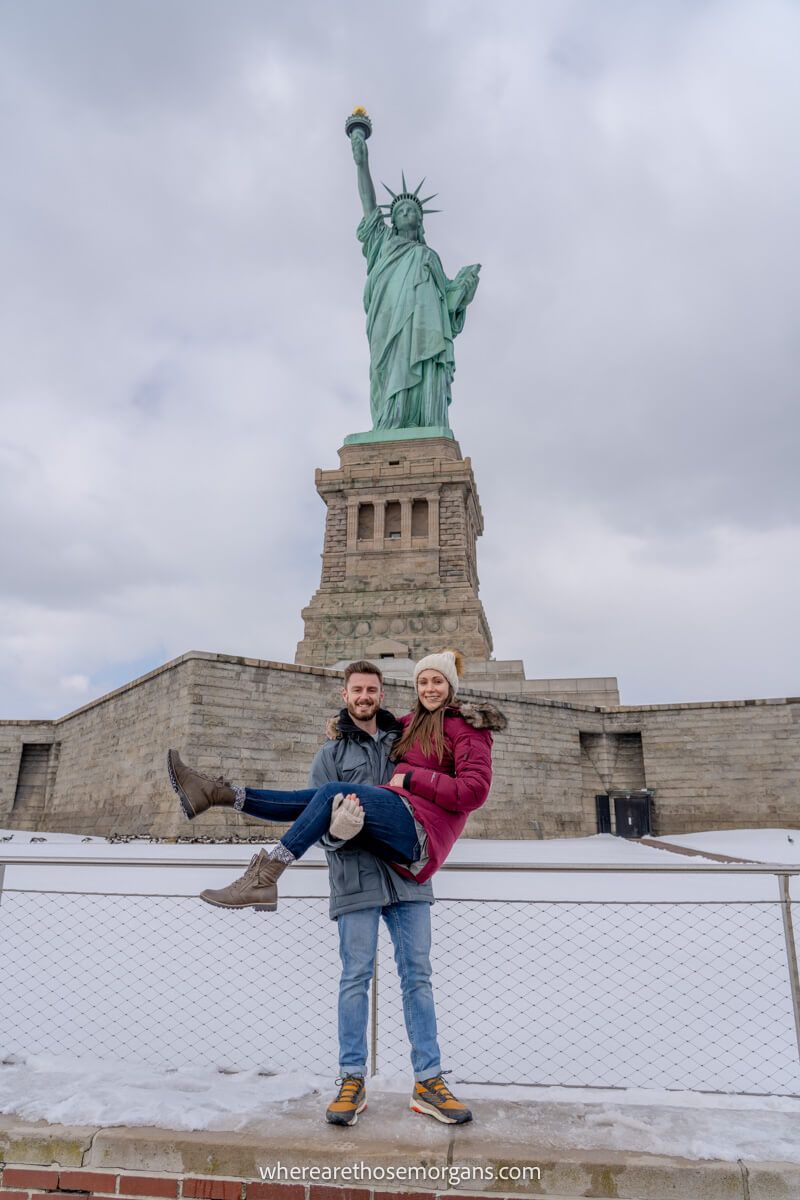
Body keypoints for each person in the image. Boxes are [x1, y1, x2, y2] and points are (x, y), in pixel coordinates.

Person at [166, 649, 506, 1125]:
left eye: (437, 681)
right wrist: (335, 833)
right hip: (358, 879)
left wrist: (413, 773)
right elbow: (314, 820)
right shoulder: (340, 749)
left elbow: (470, 788)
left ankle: (429, 1081)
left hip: (409, 866)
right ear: (344, 696)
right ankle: (352, 1079)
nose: (430, 688)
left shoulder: (402, 734)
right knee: (354, 978)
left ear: (383, 695)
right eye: (423, 681)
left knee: (418, 980)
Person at [350, 129, 481, 431]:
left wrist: (463, 289)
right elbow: (369, 203)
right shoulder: (381, 244)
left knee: (425, 363)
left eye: (412, 210)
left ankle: (424, 420)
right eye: (400, 210)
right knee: (389, 369)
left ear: (420, 221)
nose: (407, 212)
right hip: (389, 323)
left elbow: (448, 304)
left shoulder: (429, 256)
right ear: (392, 220)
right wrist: (361, 163)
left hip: (425, 328)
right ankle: (390, 421)